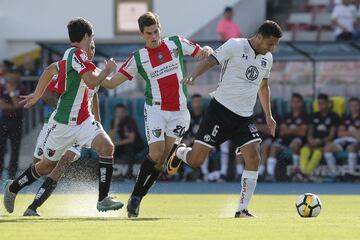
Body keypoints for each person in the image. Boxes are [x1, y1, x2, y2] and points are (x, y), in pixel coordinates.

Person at [3, 17, 123, 215]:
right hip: (62, 124)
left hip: (84, 122)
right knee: (45, 167)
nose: (92, 45)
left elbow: (52, 70)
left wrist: (127, 71)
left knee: (107, 146)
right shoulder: (76, 54)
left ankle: (103, 199)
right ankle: (13, 188)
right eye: (91, 39)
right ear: (86, 36)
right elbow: (93, 82)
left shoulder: (76, 58)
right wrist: (109, 69)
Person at [167, 20, 282, 217]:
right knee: (196, 160)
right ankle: (179, 152)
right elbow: (211, 60)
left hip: (244, 117)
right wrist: (193, 76)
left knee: (254, 157)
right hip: (219, 112)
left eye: (275, 45)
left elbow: (264, 87)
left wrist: (269, 115)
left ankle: (242, 209)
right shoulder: (235, 45)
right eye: (270, 43)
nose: (272, 48)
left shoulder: (267, 58)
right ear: (260, 36)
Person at [107, 11, 212, 217]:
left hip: (180, 112)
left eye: (156, 31)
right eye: (148, 33)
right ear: (142, 35)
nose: (153, 37)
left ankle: (138, 198)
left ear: (160, 29)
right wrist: (98, 74)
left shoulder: (176, 43)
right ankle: (135, 197)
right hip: (156, 110)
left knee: (161, 160)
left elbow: (202, 53)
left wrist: (207, 49)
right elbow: (111, 83)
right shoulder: (138, 58)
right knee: (155, 154)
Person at [22, 41, 102, 216]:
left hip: (81, 126)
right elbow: (48, 91)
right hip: (56, 124)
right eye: (89, 47)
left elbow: (94, 97)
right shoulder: (68, 67)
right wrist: (62, 105)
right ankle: (14, 188)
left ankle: (33, 206)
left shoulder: (94, 74)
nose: (91, 51)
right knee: (40, 165)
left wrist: (98, 123)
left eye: (94, 48)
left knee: (63, 163)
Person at [266, 93, 309, 181]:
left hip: (298, 141)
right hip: (285, 140)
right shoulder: (287, 116)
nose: (295, 104)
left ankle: (296, 173)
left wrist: (289, 129)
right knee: (274, 147)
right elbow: (282, 132)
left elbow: (303, 133)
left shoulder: (305, 116)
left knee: (295, 144)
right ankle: (270, 174)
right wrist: (296, 129)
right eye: (293, 102)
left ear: (301, 103)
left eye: (297, 102)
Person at [299, 94, 340, 181]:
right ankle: (303, 171)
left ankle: (306, 173)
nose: (321, 106)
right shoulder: (314, 116)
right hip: (313, 141)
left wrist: (320, 141)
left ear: (328, 104)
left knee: (318, 152)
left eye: (323, 103)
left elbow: (332, 135)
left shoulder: (334, 116)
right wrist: (310, 140)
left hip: (325, 142)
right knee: (304, 149)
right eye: (319, 104)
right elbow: (310, 131)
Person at [323, 97, 360, 180]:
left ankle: (351, 174)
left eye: (356, 105)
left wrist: (348, 132)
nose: (354, 107)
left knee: (351, 148)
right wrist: (353, 132)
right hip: (342, 141)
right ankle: (334, 174)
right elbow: (340, 133)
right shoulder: (345, 118)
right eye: (352, 105)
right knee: (327, 147)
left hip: (355, 142)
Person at [0, 72, 27, 179]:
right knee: (1, 148)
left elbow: (19, 104)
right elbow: (2, 105)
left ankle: (12, 173)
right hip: (4, 120)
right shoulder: (2, 87)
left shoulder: (22, 89)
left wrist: (12, 94)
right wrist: (14, 105)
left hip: (17, 121)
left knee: (15, 148)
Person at [109, 103, 144, 179]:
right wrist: (115, 126)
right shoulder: (114, 121)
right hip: (122, 144)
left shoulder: (129, 121)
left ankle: (130, 174)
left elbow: (131, 139)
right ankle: (111, 174)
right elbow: (110, 139)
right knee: (110, 149)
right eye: (118, 112)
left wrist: (117, 143)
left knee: (129, 148)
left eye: (121, 112)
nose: (119, 114)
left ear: (125, 112)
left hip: (136, 144)